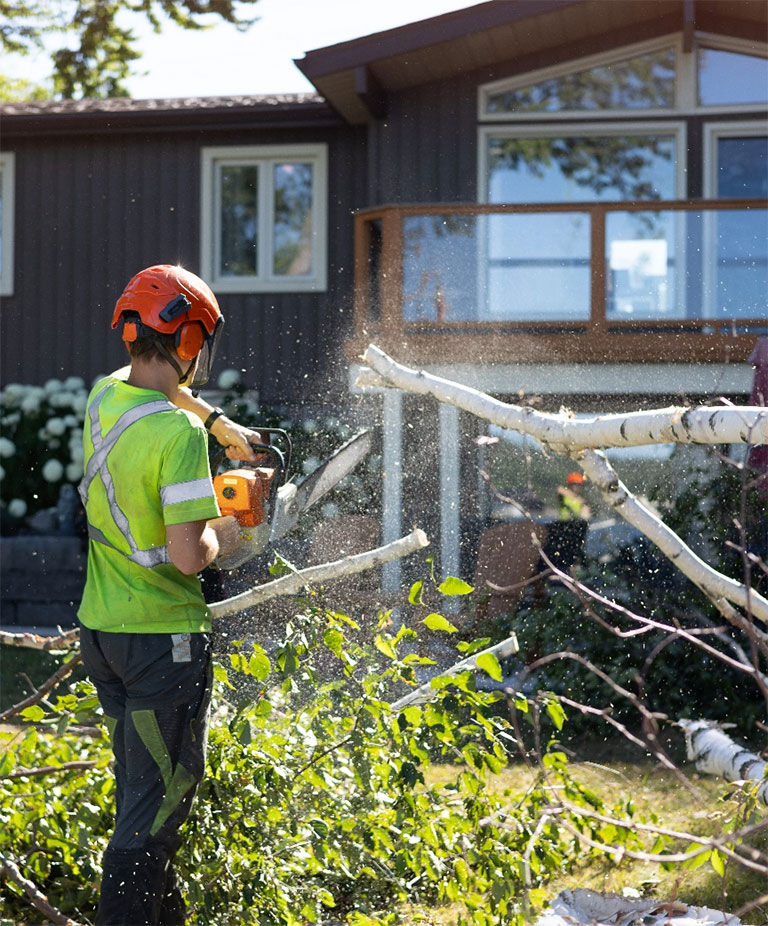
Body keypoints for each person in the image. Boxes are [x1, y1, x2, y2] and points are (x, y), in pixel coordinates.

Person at [77, 264, 260, 925]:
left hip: (104, 633)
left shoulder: (104, 398)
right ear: (189, 342)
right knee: (156, 809)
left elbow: (158, 395)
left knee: (143, 794)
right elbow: (190, 557)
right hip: (162, 642)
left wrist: (219, 425)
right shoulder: (175, 438)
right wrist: (232, 525)